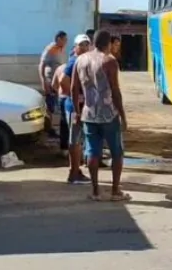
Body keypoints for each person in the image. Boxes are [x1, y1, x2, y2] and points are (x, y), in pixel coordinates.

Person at [70, 30, 130, 201]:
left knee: (92, 152)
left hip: (88, 114)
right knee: (116, 152)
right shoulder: (109, 61)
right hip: (109, 114)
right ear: (108, 43)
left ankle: (96, 191)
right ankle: (115, 191)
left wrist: (76, 111)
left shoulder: (80, 60)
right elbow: (115, 91)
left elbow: (74, 88)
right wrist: (123, 115)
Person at [52, 34, 92, 184]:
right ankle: (74, 173)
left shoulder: (81, 60)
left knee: (77, 140)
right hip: (75, 107)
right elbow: (63, 80)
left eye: (87, 44)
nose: (84, 47)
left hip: (78, 106)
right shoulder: (74, 61)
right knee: (75, 140)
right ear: (75, 47)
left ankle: (76, 171)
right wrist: (75, 97)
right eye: (81, 45)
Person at [39, 31, 68, 136]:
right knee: (50, 106)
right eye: (64, 39)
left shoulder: (61, 49)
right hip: (50, 81)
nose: (66, 42)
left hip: (59, 81)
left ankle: (53, 127)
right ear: (58, 39)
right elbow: (41, 65)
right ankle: (49, 128)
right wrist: (43, 81)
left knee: (57, 105)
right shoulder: (50, 49)